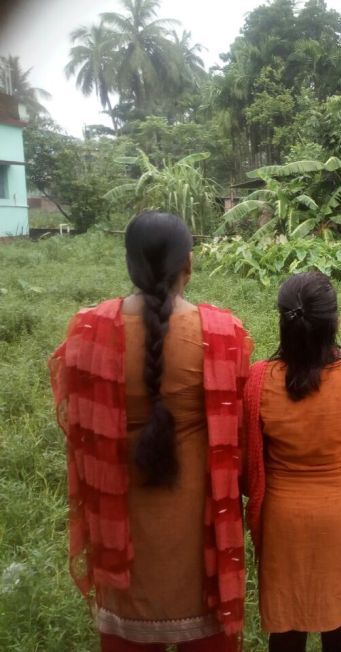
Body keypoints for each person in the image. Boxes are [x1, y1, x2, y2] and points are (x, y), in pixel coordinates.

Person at [48, 212, 251, 651]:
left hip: (122, 516)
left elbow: (82, 431)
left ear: (131, 265)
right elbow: (238, 429)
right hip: (199, 524)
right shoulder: (223, 334)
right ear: (189, 265)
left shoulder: (88, 332)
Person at [243, 272, 341, 652]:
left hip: (283, 521)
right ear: (336, 322)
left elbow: (246, 469)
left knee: (286, 628)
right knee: (338, 625)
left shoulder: (259, 380)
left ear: (282, 321)